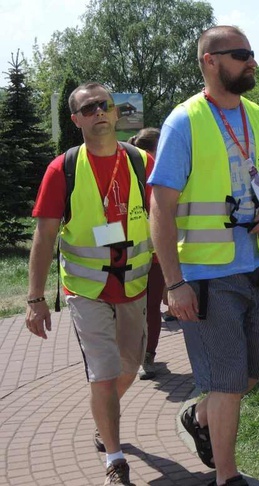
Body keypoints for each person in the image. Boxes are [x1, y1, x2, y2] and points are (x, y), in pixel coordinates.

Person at [149, 26, 259, 486]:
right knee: (227, 381)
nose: (252, 61)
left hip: (258, 266)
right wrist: (173, 283)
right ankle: (227, 477)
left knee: (255, 371)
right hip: (207, 276)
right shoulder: (183, 122)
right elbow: (160, 209)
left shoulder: (258, 116)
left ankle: (200, 417)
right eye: (241, 54)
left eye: (252, 53)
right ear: (210, 61)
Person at [26, 82, 153, 485]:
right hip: (85, 291)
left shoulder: (141, 161)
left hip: (134, 287)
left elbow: (167, 220)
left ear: (116, 113)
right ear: (76, 119)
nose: (98, 112)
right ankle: (114, 459)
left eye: (105, 106)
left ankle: (104, 418)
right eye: (88, 108)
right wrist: (35, 298)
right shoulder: (61, 168)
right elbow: (44, 236)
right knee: (103, 372)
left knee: (129, 368)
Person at [127, 127, 166, 381]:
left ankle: (144, 356)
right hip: (142, 254)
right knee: (144, 308)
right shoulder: (148, 167)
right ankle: (143, 356)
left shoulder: (141, 166)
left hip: (141, 254)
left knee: (144, 308)